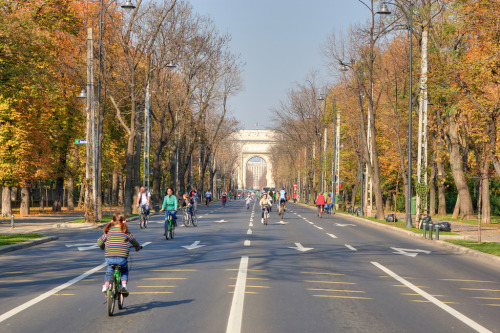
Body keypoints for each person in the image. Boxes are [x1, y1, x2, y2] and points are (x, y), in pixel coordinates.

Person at [98, 213, 141, 295]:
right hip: (122, 258)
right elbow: (134, 242)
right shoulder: (126, 233)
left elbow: (99, 242)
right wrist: (137, 247)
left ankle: (106, 285)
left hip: (109, 258)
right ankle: (124, 286)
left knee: (110, 269)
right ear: (124, 222)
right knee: (124, 270)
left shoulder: (108, 232)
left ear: (113, 222)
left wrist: (102, 246)